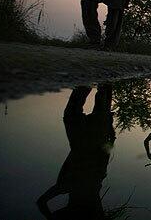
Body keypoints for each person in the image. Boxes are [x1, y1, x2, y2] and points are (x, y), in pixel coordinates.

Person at [37, 85, 115, 219]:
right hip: (84, 142)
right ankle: (90, 79)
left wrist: (111, 135)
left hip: (92, 142)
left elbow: (104, 160)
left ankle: (92, 78)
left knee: (96, 101)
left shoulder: (69, 186)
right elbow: (41, 202)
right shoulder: (66, 186)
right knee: (74, 111)